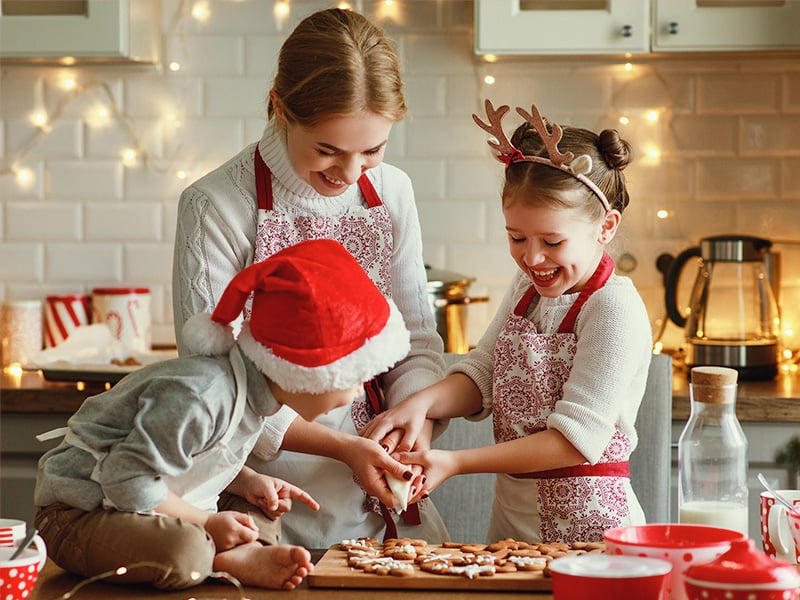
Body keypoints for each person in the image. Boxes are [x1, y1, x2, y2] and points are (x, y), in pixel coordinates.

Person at [171, 7, 447, 547]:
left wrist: (416, 420)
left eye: (372, 150)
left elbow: (415, 340)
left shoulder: (392, 192)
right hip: (263, 493)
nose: (349, 174)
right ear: (279, 108)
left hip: (384, 489)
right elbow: (213, 384)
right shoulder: (217, 205)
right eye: (328, 150)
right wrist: (342, 447)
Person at [34, 239, 412, 591]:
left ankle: (234, 553)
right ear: (306, 374)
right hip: (82, 512)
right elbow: (126, 480)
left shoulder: (258, 395)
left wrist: (245, 481)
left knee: (260, 514)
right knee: (185, 552)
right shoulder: (202, 397)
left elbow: (194, 457)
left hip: (149, 502)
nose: (360, 390)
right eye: (355, 377)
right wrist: (208, 523)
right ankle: (220, 557)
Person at [362, 100, 653, 544]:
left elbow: (573, 442)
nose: (532, 258)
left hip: (593, 532)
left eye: (552, 242)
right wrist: (418, 405)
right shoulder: (526, 289)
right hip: (513, 525)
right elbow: (483, 373)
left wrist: (455, 461)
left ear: (606, 227)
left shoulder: (613, 310)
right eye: (516, 237)